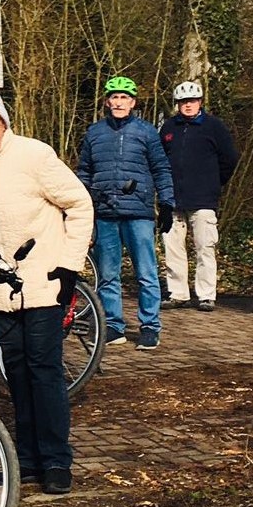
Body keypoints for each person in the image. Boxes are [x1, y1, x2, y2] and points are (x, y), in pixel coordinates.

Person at [0, 89, 92, 495]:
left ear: (4, 123)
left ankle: (55, 459)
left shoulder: (35, 155)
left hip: (44, 277)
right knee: (15, 370)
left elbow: (80, 203)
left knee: (43, 368)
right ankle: (26, 459)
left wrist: (70, 263)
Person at [77, 76, 175, 351]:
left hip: (138, 213)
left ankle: (150, 327)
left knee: (146, 272)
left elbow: (161, 169)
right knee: (108, 274)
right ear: (107, 101)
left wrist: (166, 203)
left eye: (125, 97)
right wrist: (80, 205)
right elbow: (83, 172)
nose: (119, 102)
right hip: (105, 211)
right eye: (114, 97)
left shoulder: (146, 132)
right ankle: (114, 326)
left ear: (133, 102)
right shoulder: (94, 133)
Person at [158, 81, 239, 312]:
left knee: (205, 247)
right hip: (173, 199)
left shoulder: (214, 127)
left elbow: (230, 159)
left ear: (200, 102)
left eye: (192, 101)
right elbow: (160, 160)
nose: (188, 105)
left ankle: (206, 294)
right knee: (173, 248)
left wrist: (215, 182)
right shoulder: (169, 128)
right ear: (177, 104)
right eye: (184, 102)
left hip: (203, 199)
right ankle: (178, 293)